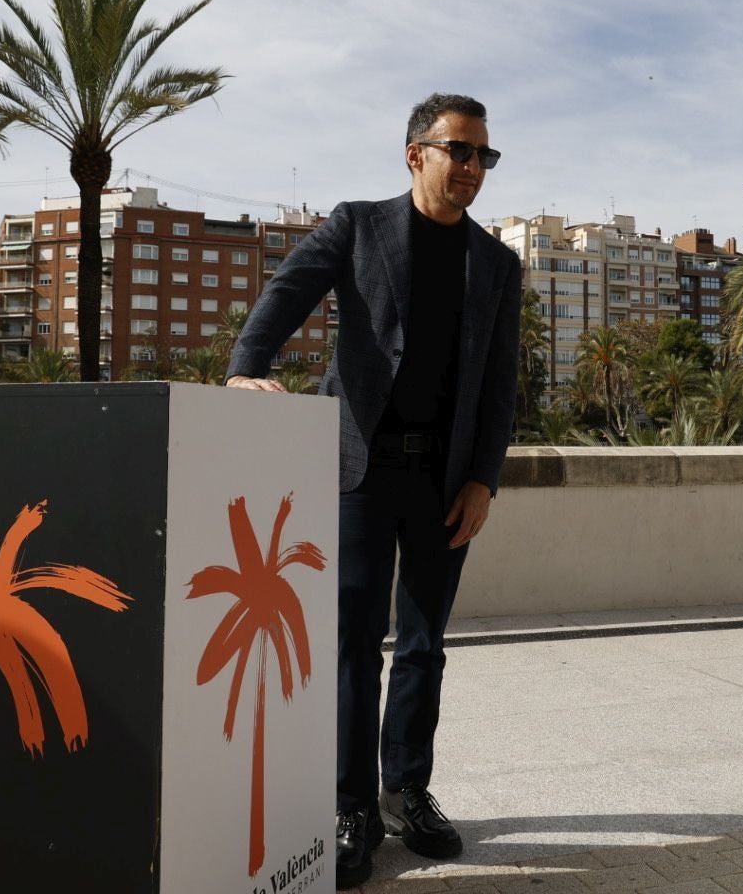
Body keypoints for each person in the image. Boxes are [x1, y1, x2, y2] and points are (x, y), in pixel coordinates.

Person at [225, 93, 520, 889]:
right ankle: (350, 805)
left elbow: (501, 385)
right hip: (357, 469)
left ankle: (407, 791)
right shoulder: (357, 225)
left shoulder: (498, 263)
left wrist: (485, 479)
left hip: (443, 481)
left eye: (483, 156)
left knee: (424, 646)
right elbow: (287, 291)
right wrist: (247, 367)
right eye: (459, 150)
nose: (471, 168)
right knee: (354, 643)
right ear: (415, 153)